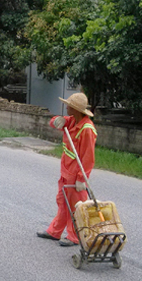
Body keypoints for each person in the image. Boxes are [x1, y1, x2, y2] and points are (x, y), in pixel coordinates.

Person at [37, 93, 97, 246]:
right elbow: (54, 122)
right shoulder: (71, 121)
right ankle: (54, 232)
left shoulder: (86, 129)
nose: (66, 107)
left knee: (76, 208)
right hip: (66, 172)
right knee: (62, 202)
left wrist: (81, 179)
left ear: (76, 109)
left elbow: (88, 157)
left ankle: (75, 237)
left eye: (69, 105)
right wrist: (56, 121)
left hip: (75, 176)